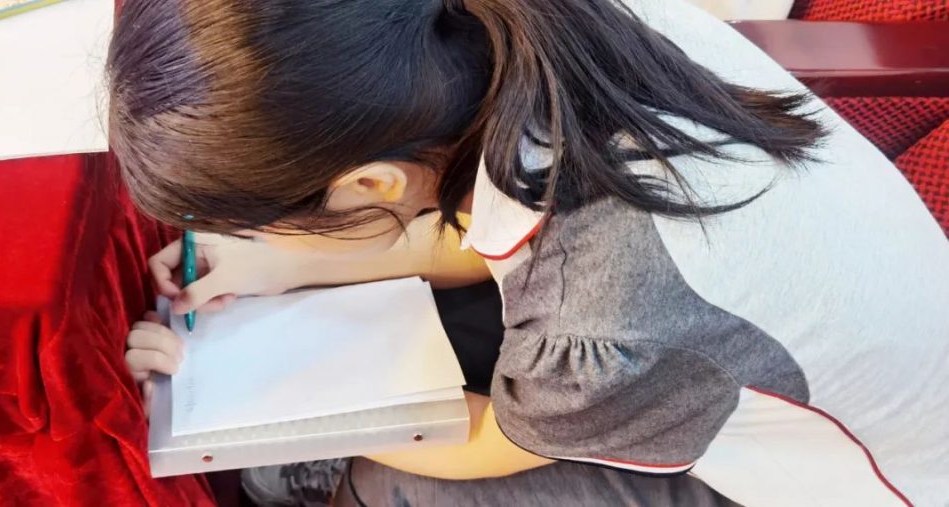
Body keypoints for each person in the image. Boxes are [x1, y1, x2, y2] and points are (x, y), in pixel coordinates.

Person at [111, 0, 949, 505]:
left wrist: (262, 417)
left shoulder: (602, 320)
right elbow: (488, 230)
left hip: (850, 479)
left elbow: (488, 445)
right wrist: (290, 263)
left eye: (273, 222)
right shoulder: (517, 34)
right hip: (800, 342)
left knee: (385, 486)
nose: (265, 237)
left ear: (371, 182)